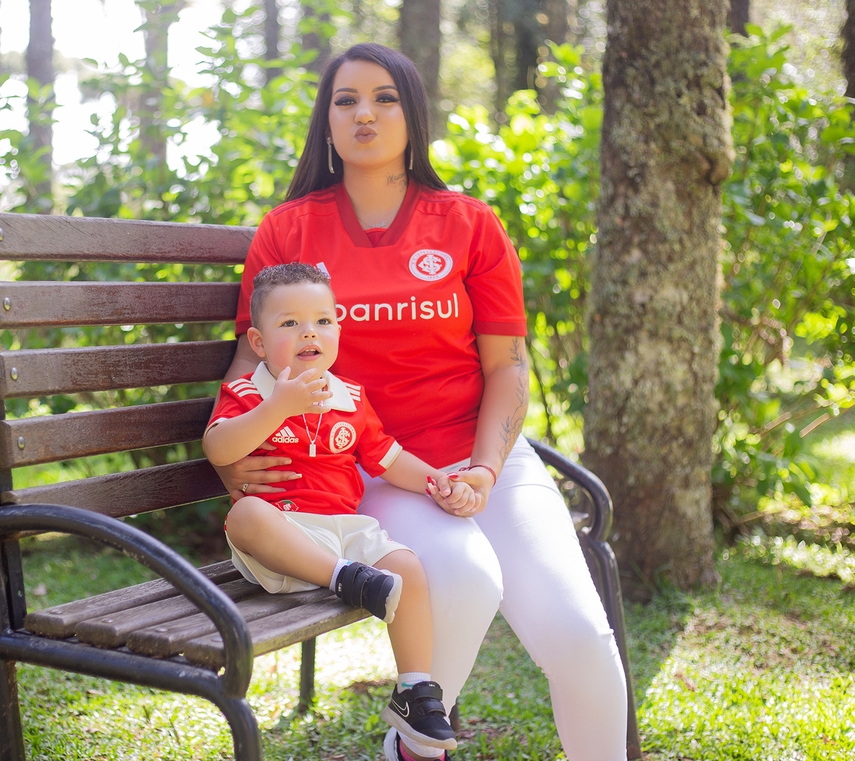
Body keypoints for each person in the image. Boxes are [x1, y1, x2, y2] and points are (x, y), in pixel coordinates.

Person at [212, 43, 629, 761]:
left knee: (580, 638)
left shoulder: (469, 223)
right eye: (345, 100)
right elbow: (252, 362)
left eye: (384, 98)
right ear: (327, 122)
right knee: (465, 573)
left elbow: (508, 366)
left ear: (413, 115)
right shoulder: (290, 228)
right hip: (374, 466)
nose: (364, 113)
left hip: (482, 457)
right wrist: (233, 460)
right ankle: (417, 748)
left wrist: (487, 469)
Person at [203, 262, 464, 753]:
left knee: (407, 566)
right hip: (284, 534)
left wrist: (437, 480)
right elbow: (218, 448)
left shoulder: (349, 397)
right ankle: (346, 578)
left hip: (344, 528)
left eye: (323, 321)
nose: (310, 332)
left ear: (338, 329)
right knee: (245, 516)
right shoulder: (248, 395)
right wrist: (277, 407)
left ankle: (415, 690)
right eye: (290, 323)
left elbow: (387, 458)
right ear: (258, 344)